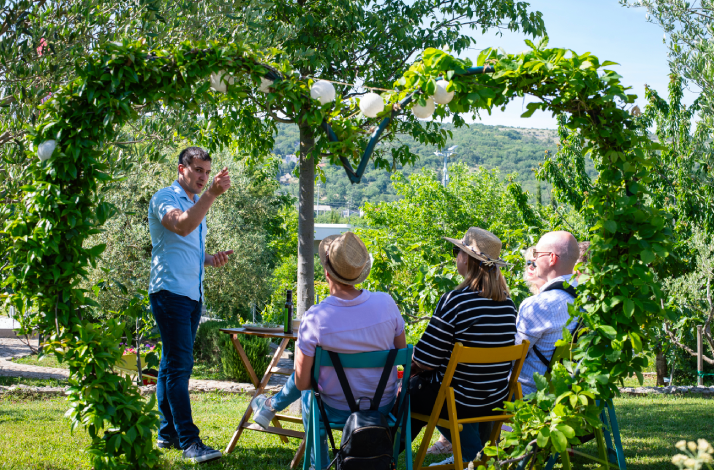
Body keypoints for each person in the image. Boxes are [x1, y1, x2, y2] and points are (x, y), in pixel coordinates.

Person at [250, 231, 406, 469]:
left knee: (307, 388)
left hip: (335, 409)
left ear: (326, 273)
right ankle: (270, 406)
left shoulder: (315, 317)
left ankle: (317, 463)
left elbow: (302, 383)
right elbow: (401, 351)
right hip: (382, 407)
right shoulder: (386, 303)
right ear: (359, 274)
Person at [404, 227, 518, 467]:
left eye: (458, 251)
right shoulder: (508, 306)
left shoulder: (455, 300)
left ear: (466, 258)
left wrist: (409, 366)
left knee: (408, 392)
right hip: (493, 399)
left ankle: (383, 454)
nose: (456, 255)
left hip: (458, 401)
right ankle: (474, 455)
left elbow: (425, 360)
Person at [148, 147, 234, 463]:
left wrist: (210, 259)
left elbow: (187, 247)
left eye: (207, 172)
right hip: (169, 293)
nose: (203, 177)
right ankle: (190, 442)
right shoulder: (164, 199)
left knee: (170, 365)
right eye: (198, 170)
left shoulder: (196, 202)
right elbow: (182, 226)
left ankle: (167, 435)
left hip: (191, 295)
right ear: (181, 168)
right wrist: (212, 195)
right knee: (180, 367)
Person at [515, 231, 580, 396]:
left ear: (552, 258)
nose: (534, 260)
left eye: (537, 254)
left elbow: (512, 357)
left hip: (527, 396)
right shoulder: (588, 299)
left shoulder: (539, 305)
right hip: (568, 394)